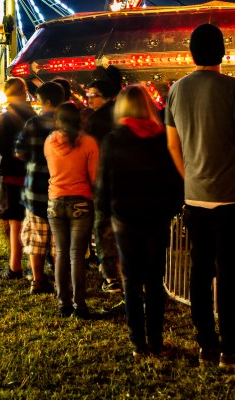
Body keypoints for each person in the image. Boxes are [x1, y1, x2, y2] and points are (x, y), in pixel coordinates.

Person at [166, 23, 235, 368]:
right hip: (232, 198)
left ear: (191, 52)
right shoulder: (234, 89)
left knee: (199, 273)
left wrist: (189, 177)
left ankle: (207, 343)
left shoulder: (177, 91)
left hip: (195, 199)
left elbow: (173, 145)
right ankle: (232, 348)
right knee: (230, 274)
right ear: (223, 51)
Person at [96, 85, 183, 357]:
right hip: (156, 216)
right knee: (155, 280)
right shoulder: (162, 139)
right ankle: (156, 340)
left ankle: (137, 341)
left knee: (131, 281)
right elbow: (174, 179)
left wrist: (105, 212)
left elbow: (103, 182)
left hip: (125, 216)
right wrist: (170, 208)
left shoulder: (113, 140)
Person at [45, 103, 99, 317]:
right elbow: (94, 177)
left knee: (60, 253)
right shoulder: (88, 143)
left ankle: (63, 304)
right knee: (77, 255)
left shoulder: (50, 141)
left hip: (55, 200)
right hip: (81, 201)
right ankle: (80, 305)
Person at [14, 80, 65, 294]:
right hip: (62, 186)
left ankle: (37, 279)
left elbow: (19, 151)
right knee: (58, 239)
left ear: (45, 101)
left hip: (35, 187)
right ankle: (60, 280)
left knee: (36, 236)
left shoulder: (33, 124)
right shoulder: (68, 123)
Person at [0, 77, 34, 279]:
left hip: (12, 174)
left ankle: (15, 266)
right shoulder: (34, 116)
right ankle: (36, 264)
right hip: (35, 175)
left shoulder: (4, 119)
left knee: (14, 220)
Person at [84, 78, 122, 293]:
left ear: (107, 95)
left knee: (104, 228)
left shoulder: (96, 120)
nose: (89, 99)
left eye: (93, 95)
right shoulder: (123, 115)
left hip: (103, 179)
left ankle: (111, 276)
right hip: (125, 179)